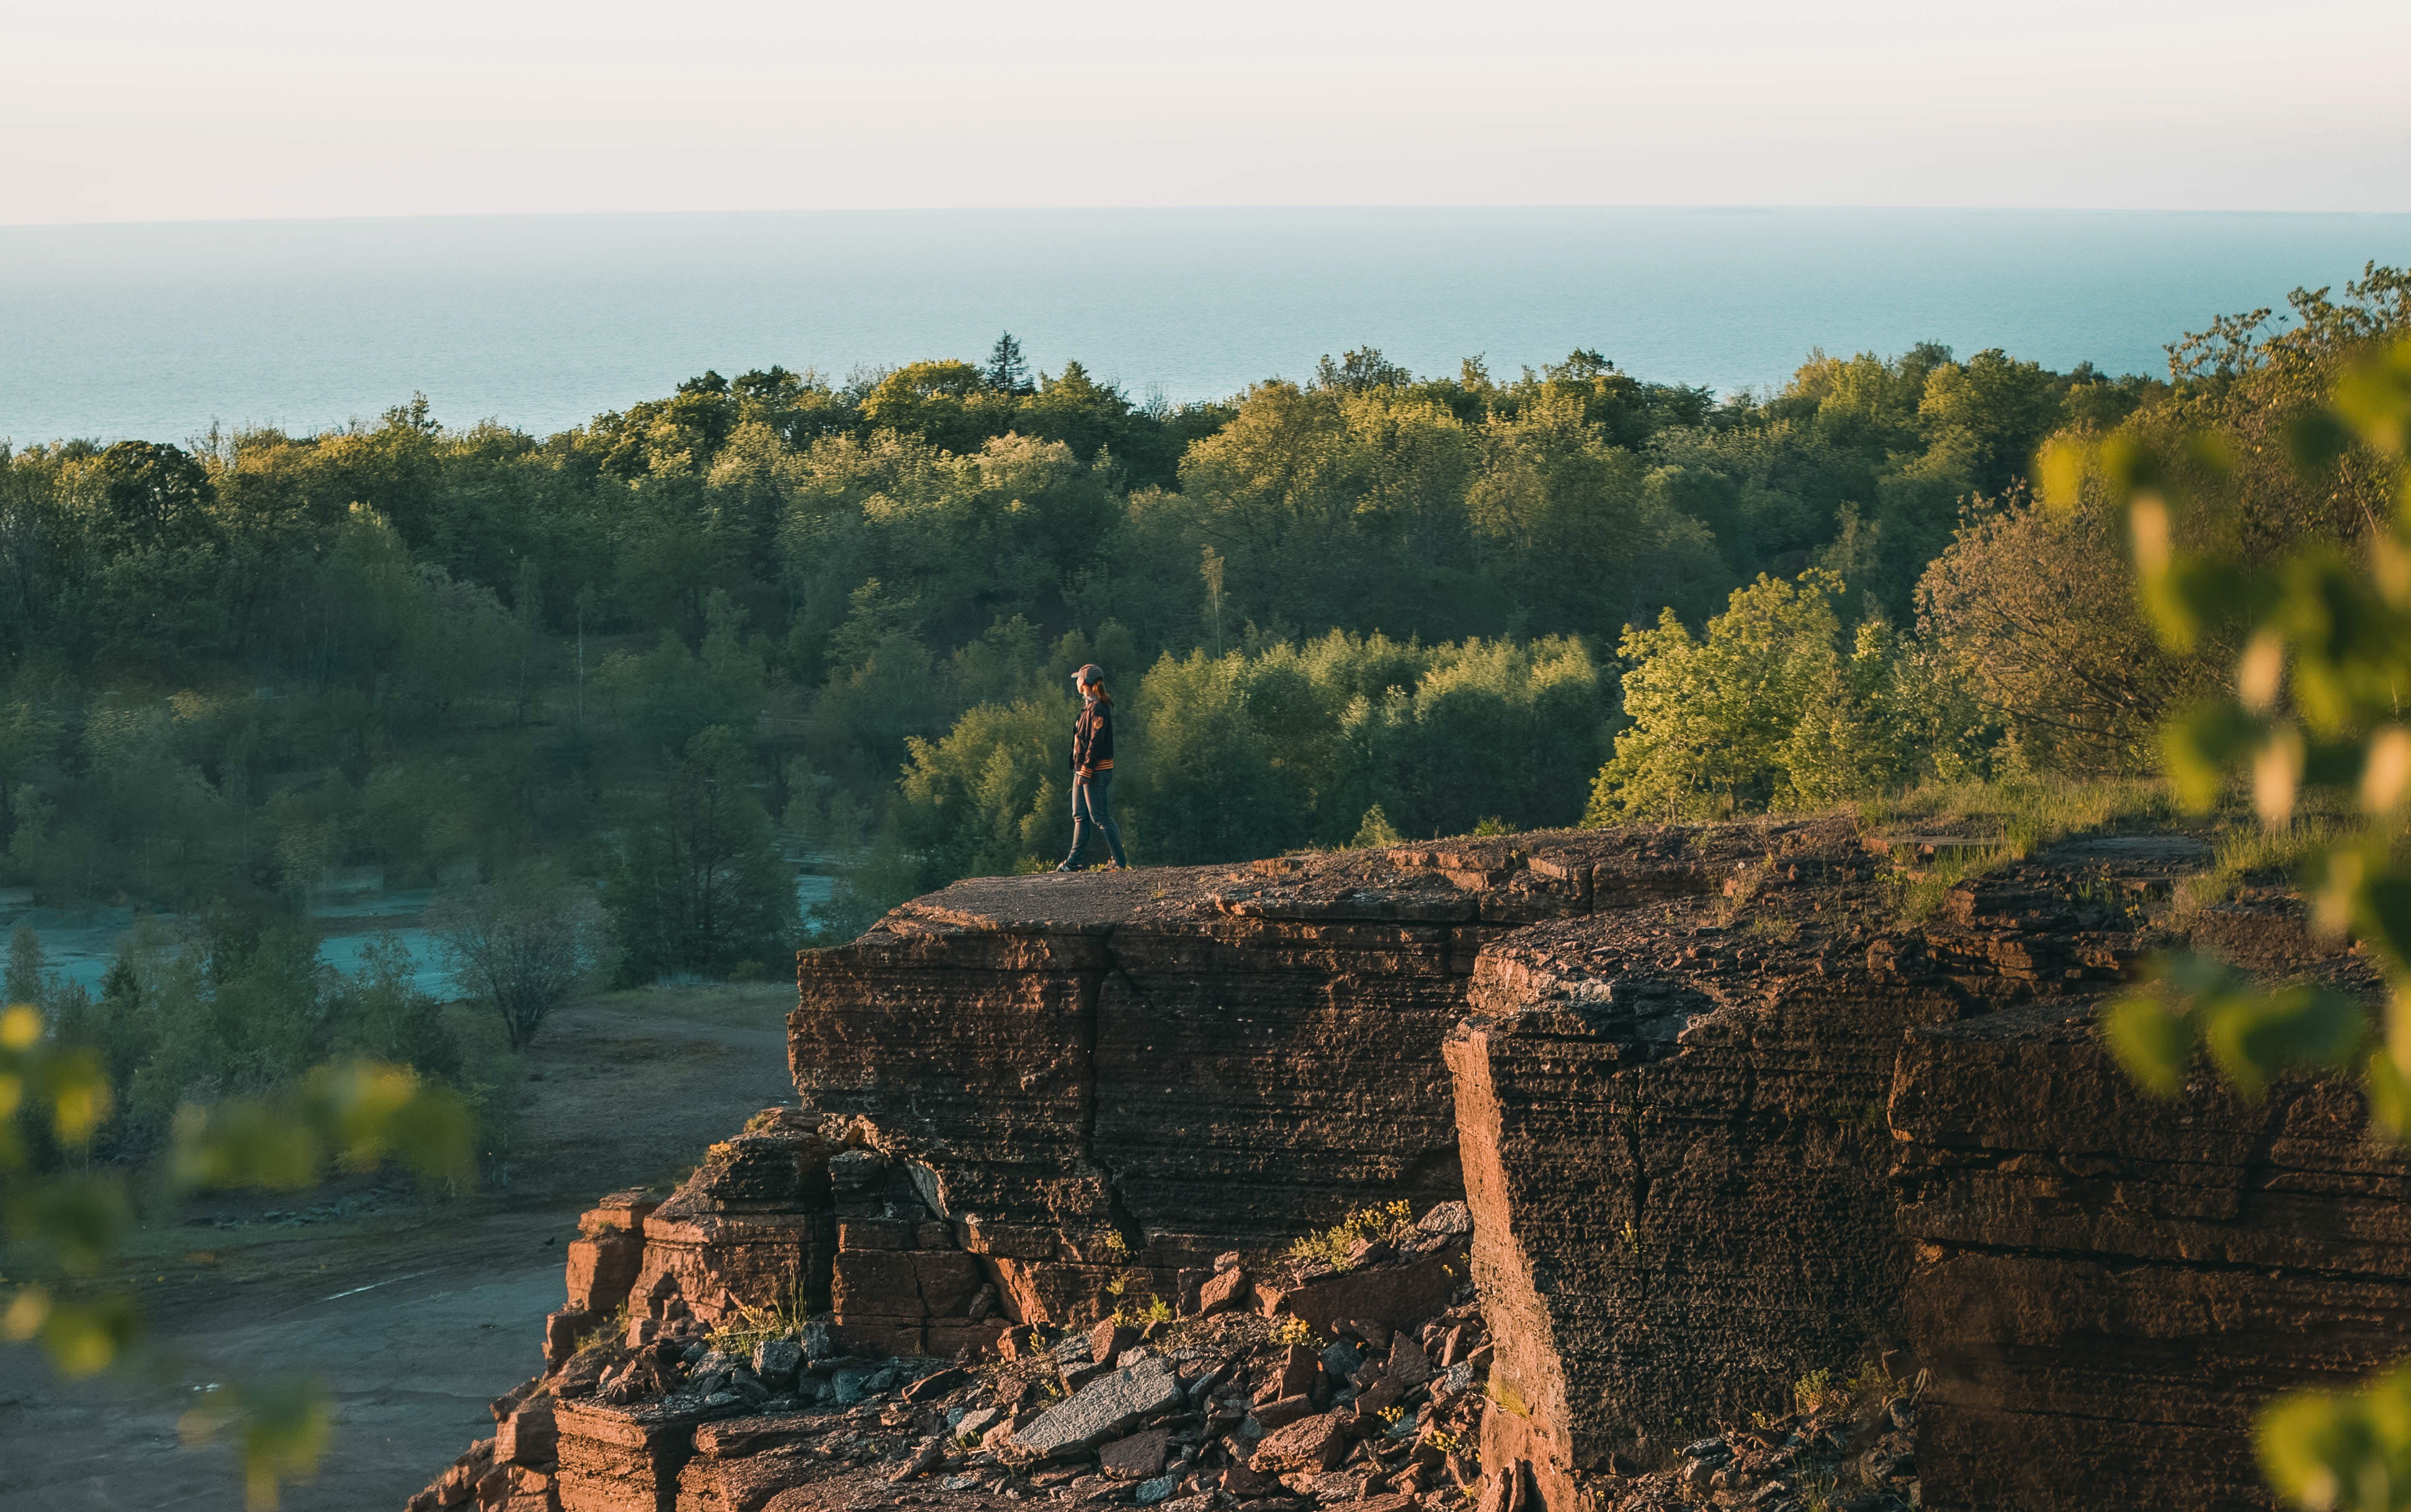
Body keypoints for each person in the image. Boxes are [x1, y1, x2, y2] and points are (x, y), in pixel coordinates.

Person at [1055, 664, 1128, 872]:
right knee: (1080, 815)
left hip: (1095, 771)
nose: (1076, 682)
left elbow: (1095, 743)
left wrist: (1087, 770)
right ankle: (1074, 862)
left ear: (1085, 683)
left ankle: (1119, 862)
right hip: (1083, 769)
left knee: (1101, 817)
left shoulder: (1098, 709)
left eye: (1079, 678)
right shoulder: (1089, 708)